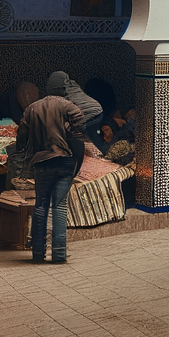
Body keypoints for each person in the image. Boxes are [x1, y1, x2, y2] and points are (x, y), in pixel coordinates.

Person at [16, 89, 88, 264]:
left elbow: (22, 134)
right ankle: (59, 254)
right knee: (59, 207)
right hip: (65, 162)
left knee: (41, 205)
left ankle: (37, 253)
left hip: (42, 163)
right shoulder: (68, 106)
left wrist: (21, 149)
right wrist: (72, 135)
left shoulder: (32, 108)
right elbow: (80, 125)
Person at [46, 71, 103, 146]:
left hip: (84, 116)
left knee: (81, 142)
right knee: (94, 138)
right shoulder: (73, 84)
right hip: (97, 110)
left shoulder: (56, 90)